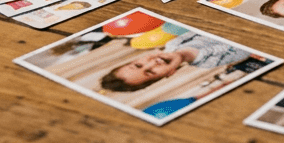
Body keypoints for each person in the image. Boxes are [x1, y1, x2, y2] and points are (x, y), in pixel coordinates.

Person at [98, 31, 252, 93]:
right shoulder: (208, 63)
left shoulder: (172, 42)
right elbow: (247, 48)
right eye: (150, 72)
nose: (152, 64)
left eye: (139, 65)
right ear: (170, 73)